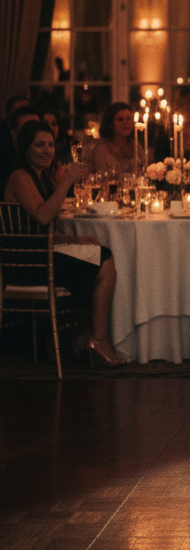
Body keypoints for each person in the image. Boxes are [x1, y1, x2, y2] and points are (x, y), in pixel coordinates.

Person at [4, 120, 124, 367]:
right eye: (40, 145)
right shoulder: (20, 177)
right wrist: (67, 180)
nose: (47, 150)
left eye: (50, 145)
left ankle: (81, 337)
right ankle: (96, 339)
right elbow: (43, 216)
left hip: (40, 254)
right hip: (25, 264)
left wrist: (76, 240)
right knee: (104, 261)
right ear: (25, 149)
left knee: (100, 252)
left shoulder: (40, 178)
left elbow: (41, 231)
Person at [92, 102, 142, 176]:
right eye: (120, 119)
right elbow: (101, 177)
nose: (125, 123)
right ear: (111, 124)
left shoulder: (136, 147)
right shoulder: (102, 150)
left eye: (128, 119)